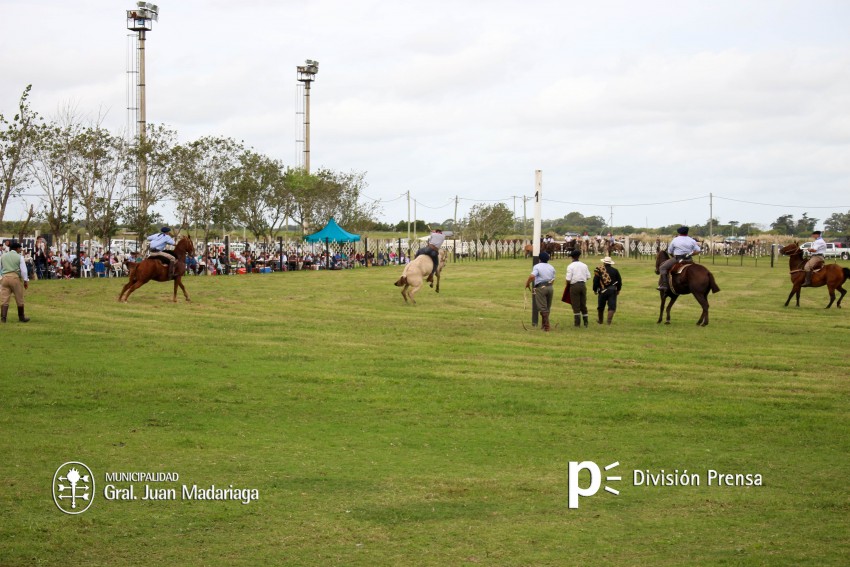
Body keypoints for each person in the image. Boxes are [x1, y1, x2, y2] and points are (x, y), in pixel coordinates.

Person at [658, 226, 701, 291]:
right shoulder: (692, 240)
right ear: (687, 232)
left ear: (679, 233)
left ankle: (664, 285)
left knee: (662, 267)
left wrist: (673, 256)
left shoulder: (675, 240)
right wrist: (692, 254)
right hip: (689, 259)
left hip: (677, 259)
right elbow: (698, 250)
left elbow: (670, 251)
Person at [525, 251, 556, 331]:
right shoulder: (551, 267)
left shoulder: (537, 266)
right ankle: (543, 325)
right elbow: (553, 279)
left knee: (542, 308)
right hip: (550, 287)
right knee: (547, 308)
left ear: (539, 259)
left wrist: (527, 283)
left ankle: (547, 327)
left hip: (541, 288)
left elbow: (532, 276)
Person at [0, 241, 30, 323]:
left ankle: (3, 318)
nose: (20, 250)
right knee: (19, 298)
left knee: (4, 298)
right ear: (17, 249)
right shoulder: (19, 257)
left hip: (4, 278)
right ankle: (21, 317)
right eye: (20, 248)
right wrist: (25, 281)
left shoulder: (3, 256)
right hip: (14, 278)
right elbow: (24, 271)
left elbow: (0, 267)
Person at [565, 249, 591, 327]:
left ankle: (577, 323)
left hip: (574, 285)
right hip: (583, 285)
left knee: (576, 304)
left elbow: (568, 279)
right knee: (583, 304)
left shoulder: (570, 266)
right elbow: (588, 276)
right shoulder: (584, 265)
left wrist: (568, 285)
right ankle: (586, 322)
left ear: (572, 257)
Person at [593, 256, 622, 325]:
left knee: (601, 306)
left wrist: (595, 289)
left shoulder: (599, 270)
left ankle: (600, 321)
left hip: (602, 290)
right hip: (612, 290)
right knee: (612, 306)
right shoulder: (615, 271)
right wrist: (618, 289)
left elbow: (596, 281)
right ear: (610, 263)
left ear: (604, 262)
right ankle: (609, 322)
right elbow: (619, 281)